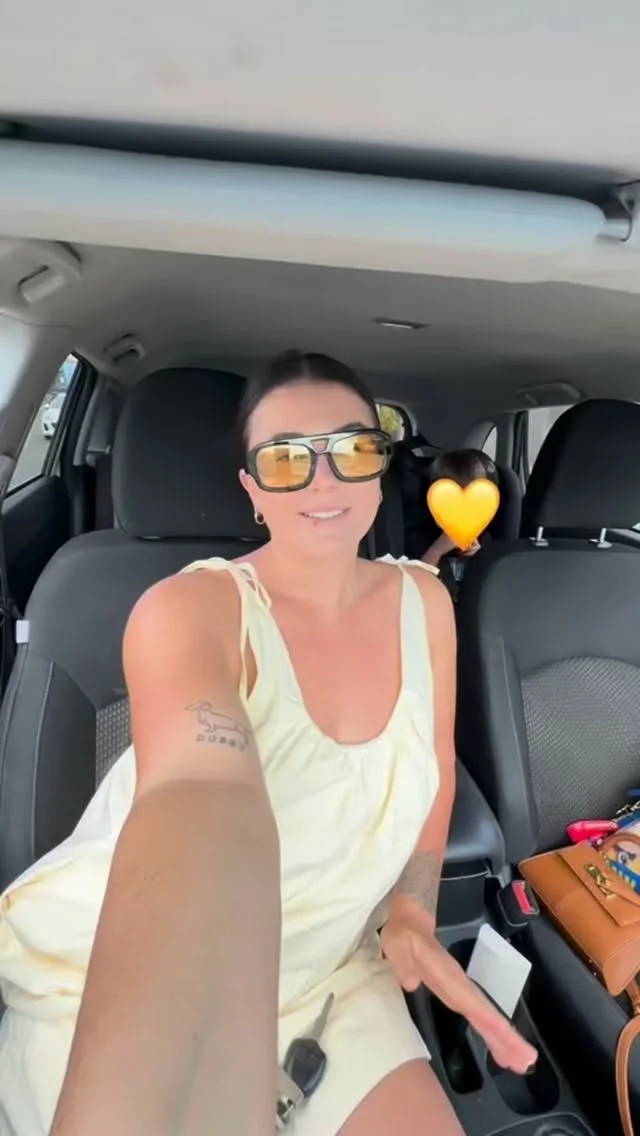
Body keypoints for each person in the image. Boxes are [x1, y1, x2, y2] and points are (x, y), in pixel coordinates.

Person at [0, 351, 535, 1136]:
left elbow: (431, 777)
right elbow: (201, 798)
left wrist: (412, 910)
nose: (323, 481)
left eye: (351, 449)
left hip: (332, 973)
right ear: (251, 488)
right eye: (286, 459)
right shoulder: (188, 611)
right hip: (122, 983)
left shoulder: (426, 602)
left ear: (379, 470)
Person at [422, 449, 499, 597]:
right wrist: (436, 550)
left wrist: (480, 558)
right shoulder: (422, 539)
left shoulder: (487, 542)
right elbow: (415, 586)